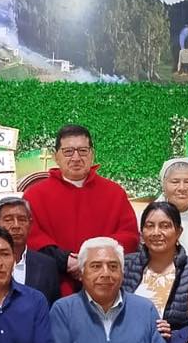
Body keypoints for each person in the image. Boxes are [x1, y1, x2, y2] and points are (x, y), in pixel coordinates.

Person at [23, 124, 139, 295]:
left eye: (83, 151)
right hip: (53, 284)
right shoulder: (35, 195)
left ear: (92, 154)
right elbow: (30, 237)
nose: (76, 158)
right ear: (56, 156)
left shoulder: (114, 193)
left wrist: (91, 261)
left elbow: (129, 236)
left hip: (105, 284)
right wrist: (65, 261)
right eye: (68, 151)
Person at [122, 201, 188, 335]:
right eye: (149, 226)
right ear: (141, 232)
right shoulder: (124, 266)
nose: (156, 232)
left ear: (178, 232)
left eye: (165, 226)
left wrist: (174, 335)